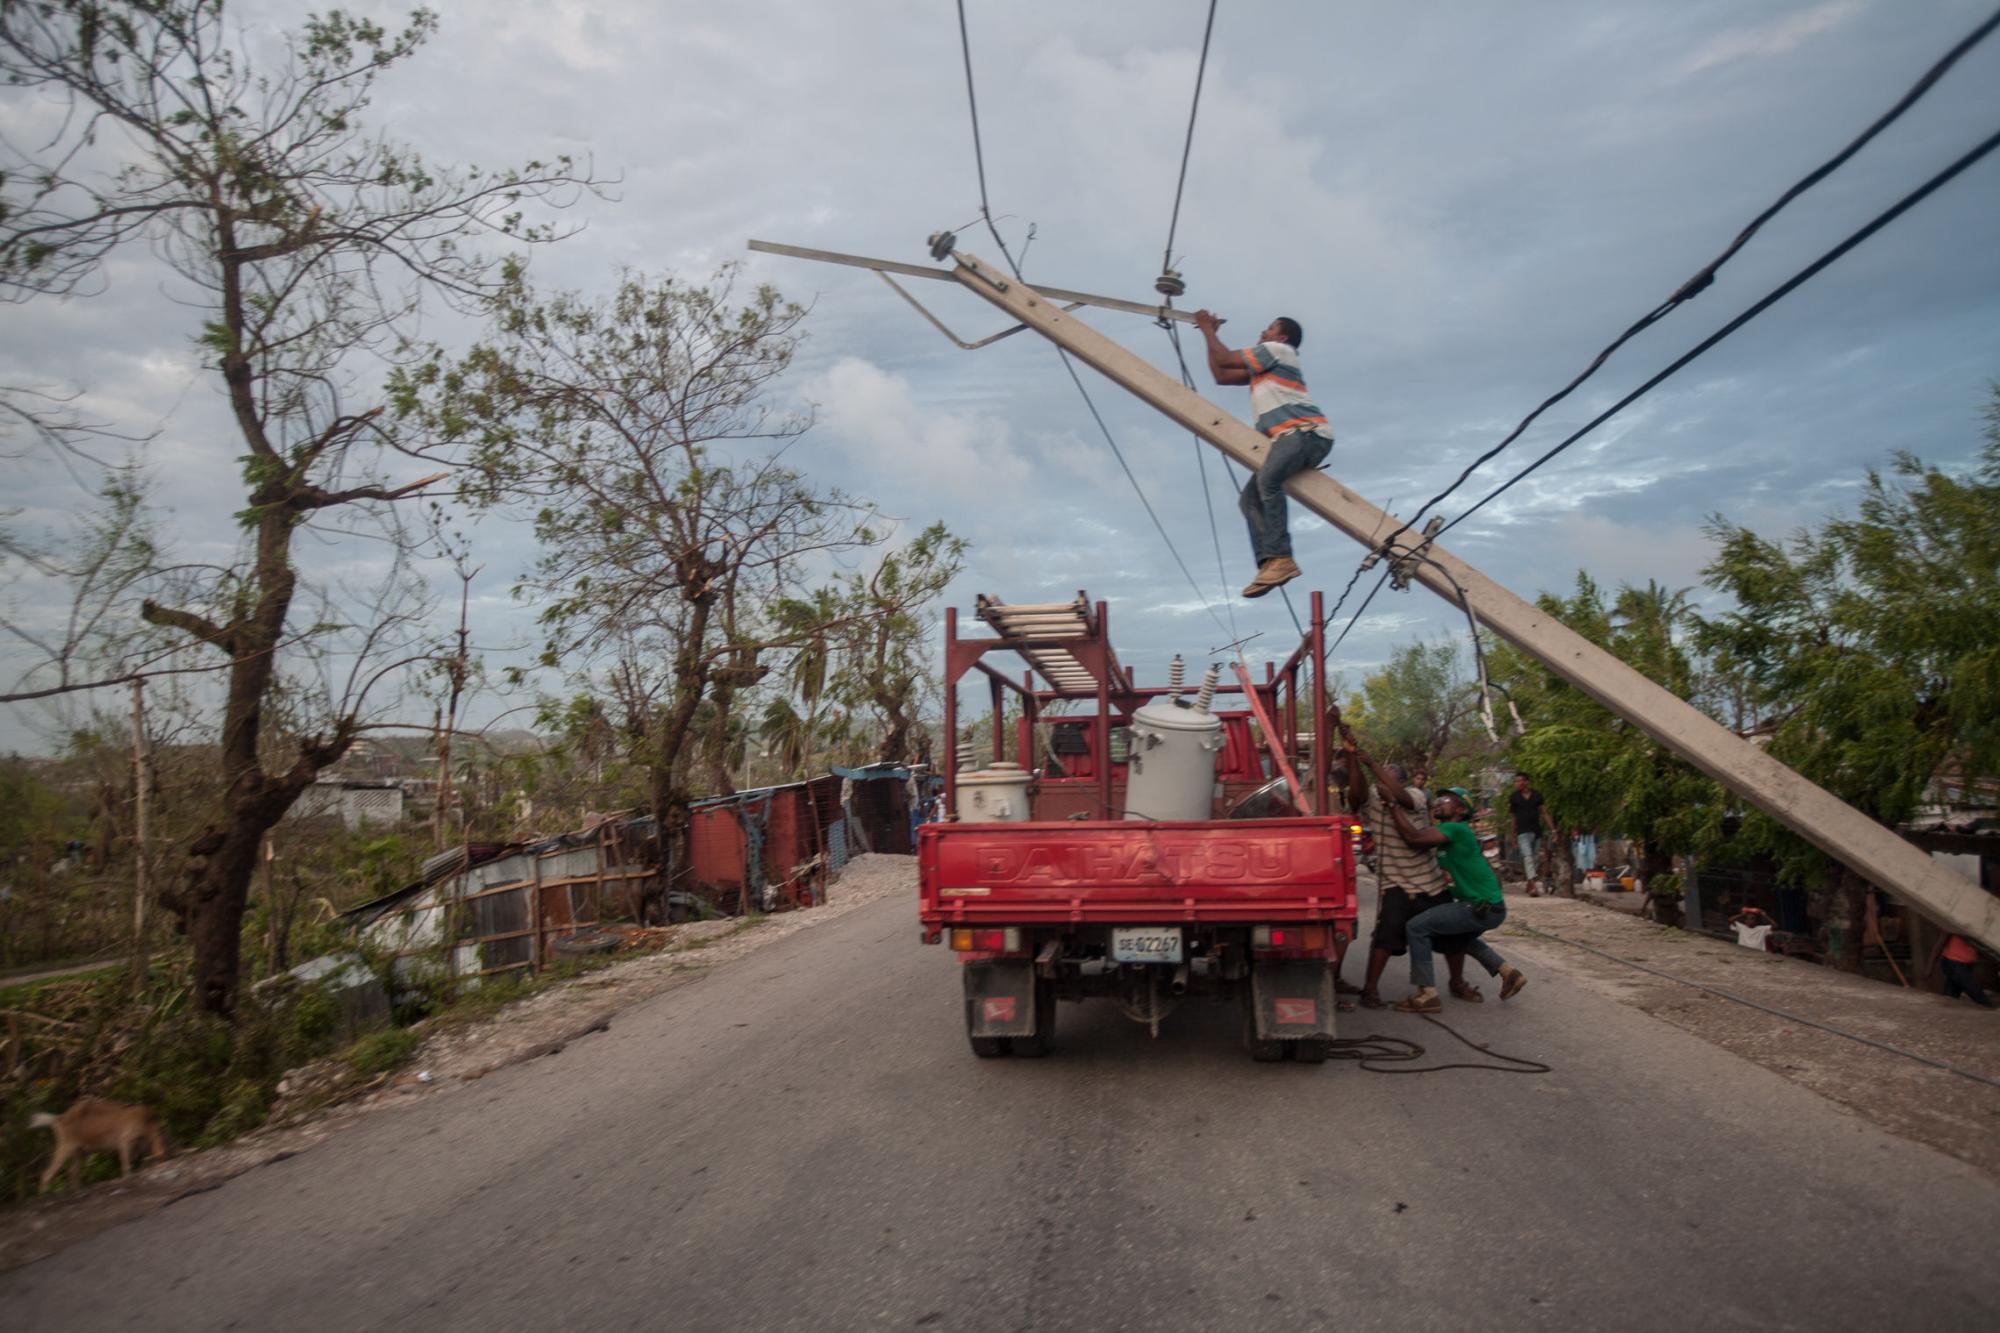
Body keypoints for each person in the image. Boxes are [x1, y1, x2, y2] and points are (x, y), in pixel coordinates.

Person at [1190, 309, 1334, 599]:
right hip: (1289, 439)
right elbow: (1220, 374)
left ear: (1282, 337)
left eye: (1268, 329)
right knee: (1249, 499)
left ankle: (1282, 557)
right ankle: (1271, 562)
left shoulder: (1277, 350)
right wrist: (1211, 335)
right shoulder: (1267, 366)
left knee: (1268, 481)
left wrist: (1207, 330)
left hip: (1305, 434)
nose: (1263, 333)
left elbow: (1225, 358)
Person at [1340, 737, 1477, 1007]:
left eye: (1389, 776)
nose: (1382, 781)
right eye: (1381, 776)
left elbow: (1400, 797)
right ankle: (1370, 990)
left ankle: (1457, 982)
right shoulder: (1373, 802)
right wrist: (1353, 757)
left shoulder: (1414, 796)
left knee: (1452, 938)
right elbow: (1356, 794)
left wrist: (1372, 763)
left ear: (1399, 780)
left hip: (1429, 881)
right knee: (1384, 939)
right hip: (1395, 884)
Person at [1386, 788, 1527, 1013]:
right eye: (1438, 799)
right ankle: (1509, 973)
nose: (1439, 802)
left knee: (1416, 927)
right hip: (1489, 906)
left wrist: (1392, 804)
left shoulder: (1456, 829)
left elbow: (1413, 837)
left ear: (1461, 810)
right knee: (1457, 939)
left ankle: (1427, 994)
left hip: (1480, 905)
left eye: (1446, 800)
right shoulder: (1446, 830)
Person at [1508, 773, 1557, 895]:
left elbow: (1544, 813)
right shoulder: (1514, 797)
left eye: (1519, 781)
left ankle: (1529, 883)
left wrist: (1553, 830)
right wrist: (1513, 836)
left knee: (1534, 858)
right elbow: (1513, 818)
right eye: (1516, 782)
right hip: (1522, 832)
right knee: (1528, 857)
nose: (1517, 784)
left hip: (1536, 831)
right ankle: (1534, 886)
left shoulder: (1536, 796)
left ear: (1526, 782)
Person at [1935, 933, 1995, 1009]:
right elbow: (1940, 944)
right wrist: (1929, 968)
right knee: (1982, 1000)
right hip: (1953, 963)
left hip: (1965, 965)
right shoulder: (1955, 924)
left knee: (1950, 998)